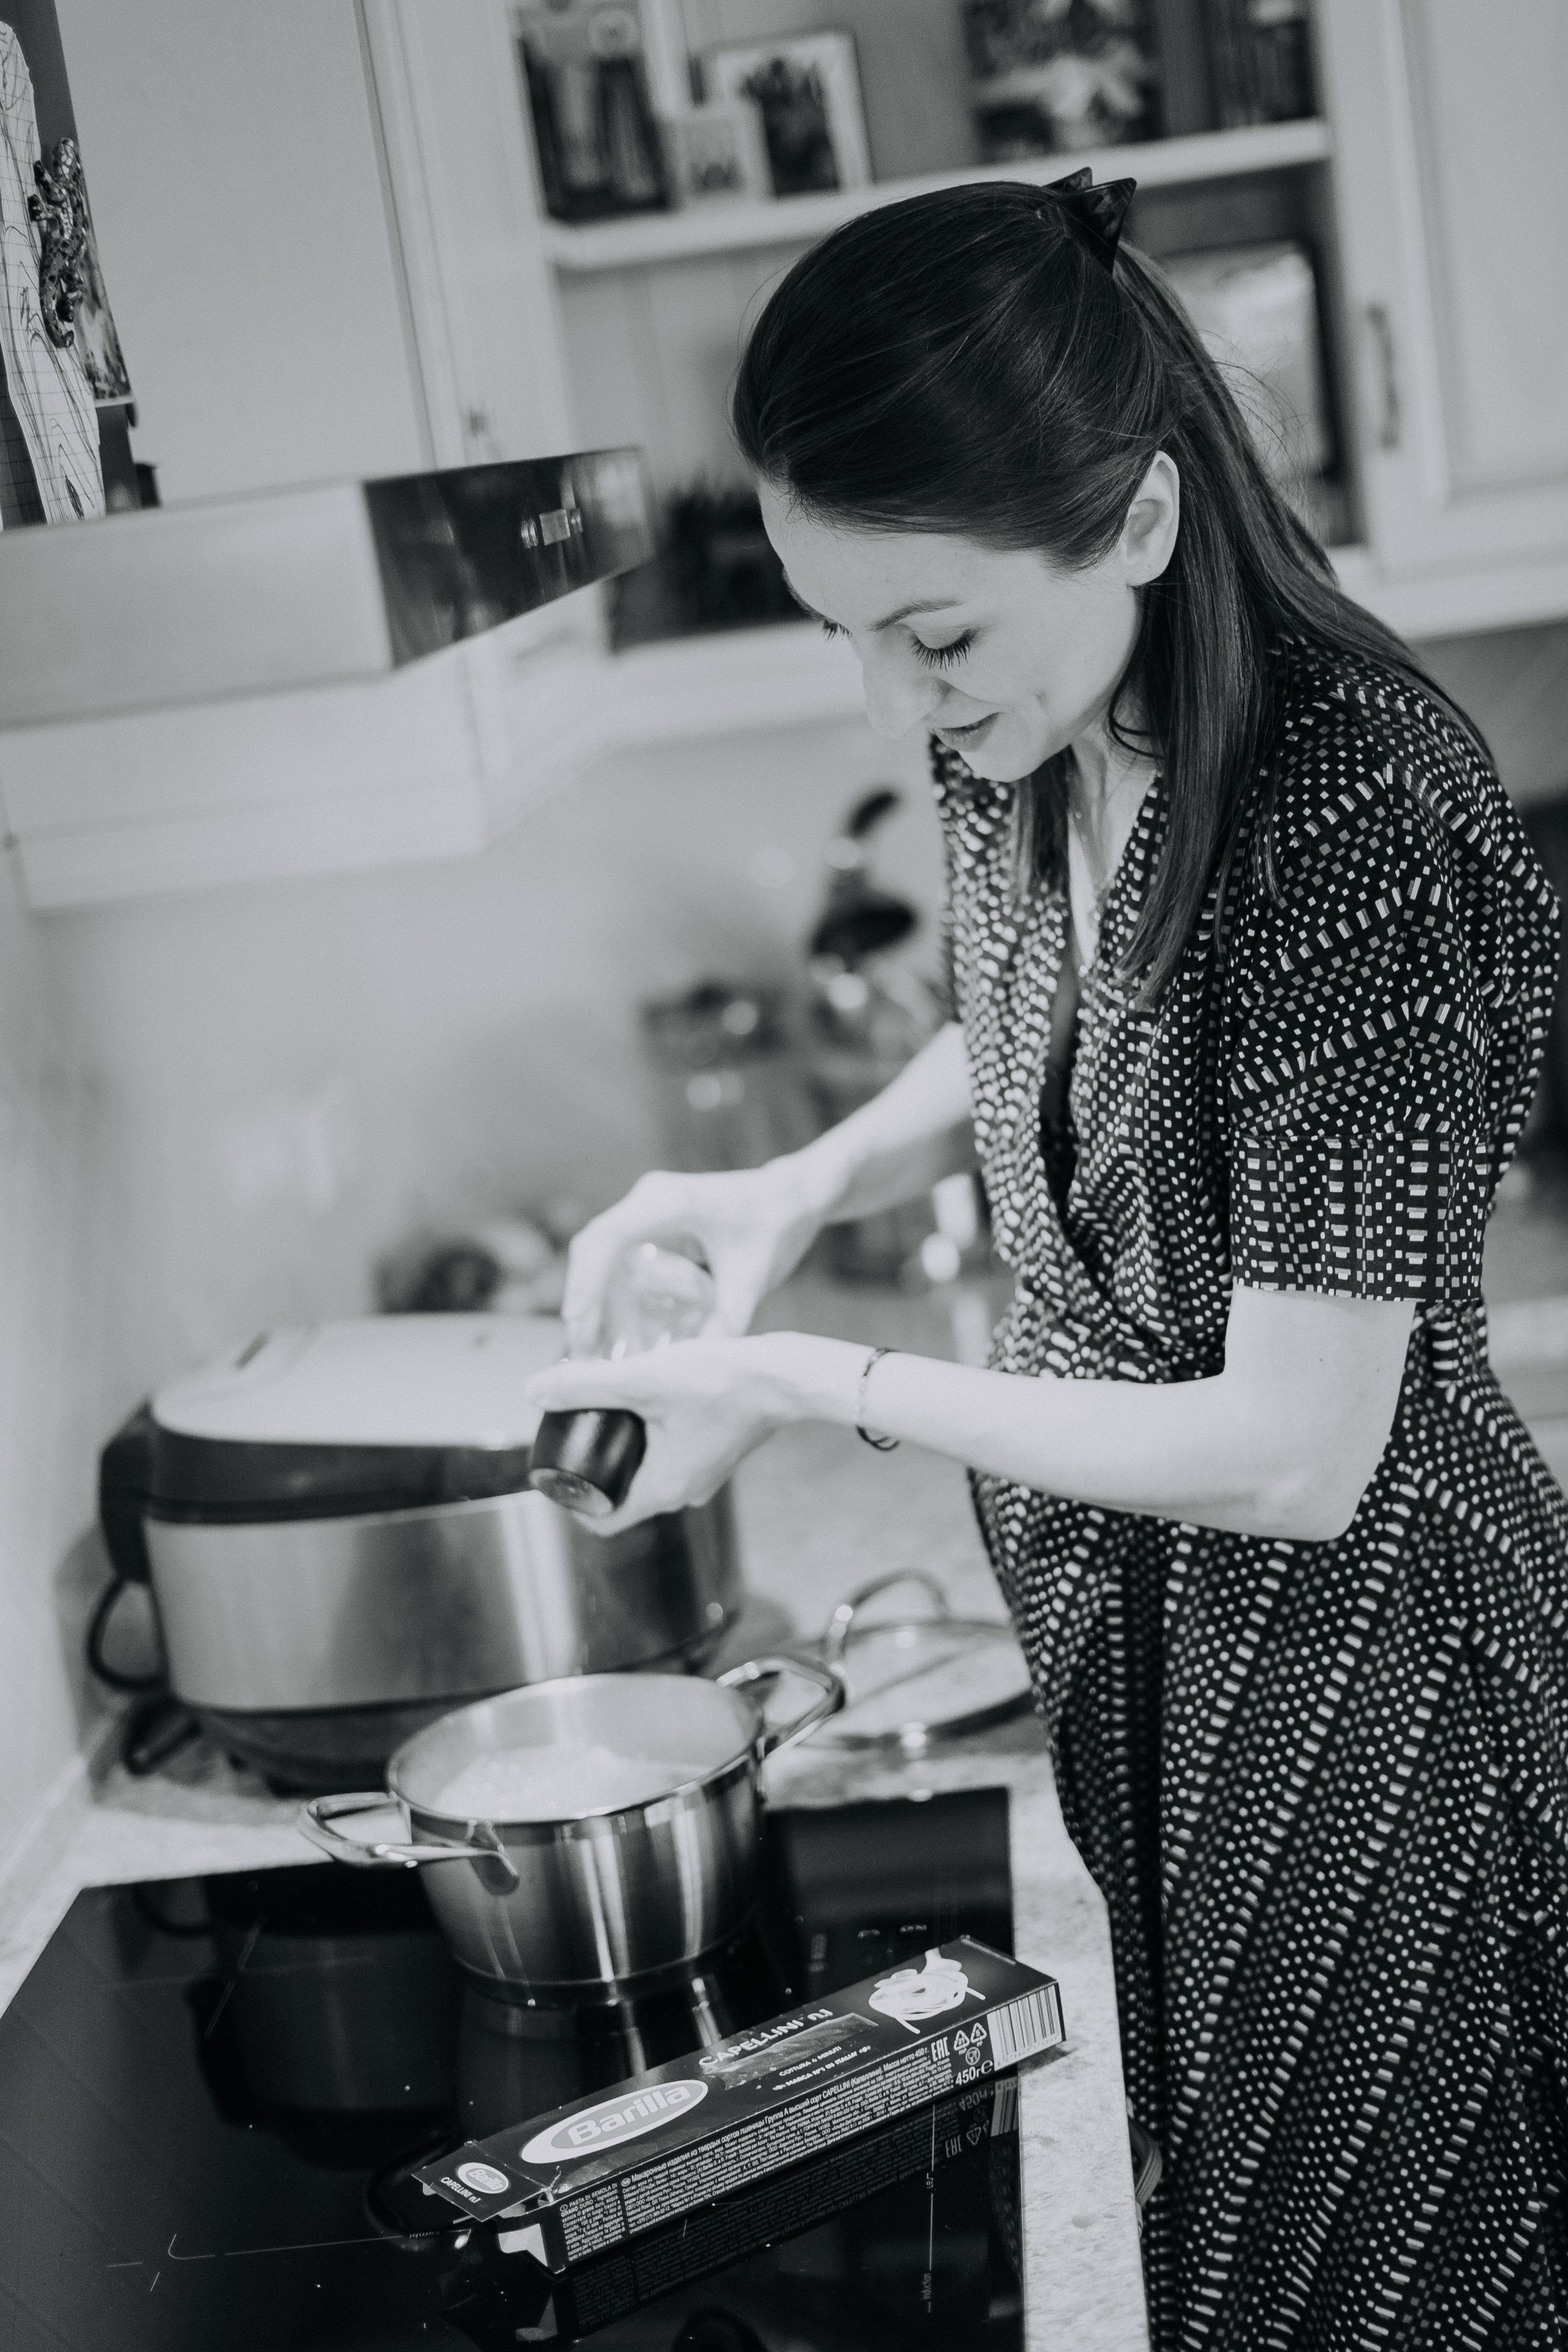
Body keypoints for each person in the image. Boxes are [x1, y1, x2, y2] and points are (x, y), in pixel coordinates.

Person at [524, 175, 1567, 2347]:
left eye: (932, 632)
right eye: (845, 631)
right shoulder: (1041, 734)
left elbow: (1297, 1450)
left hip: (1361, 1685)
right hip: (1160, 1647)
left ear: (1145, 523)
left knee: (1380, 2296)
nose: (894, 694)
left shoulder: (1353, 809)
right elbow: (1060, 1023)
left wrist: (809, 1380)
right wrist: (782, 1188)